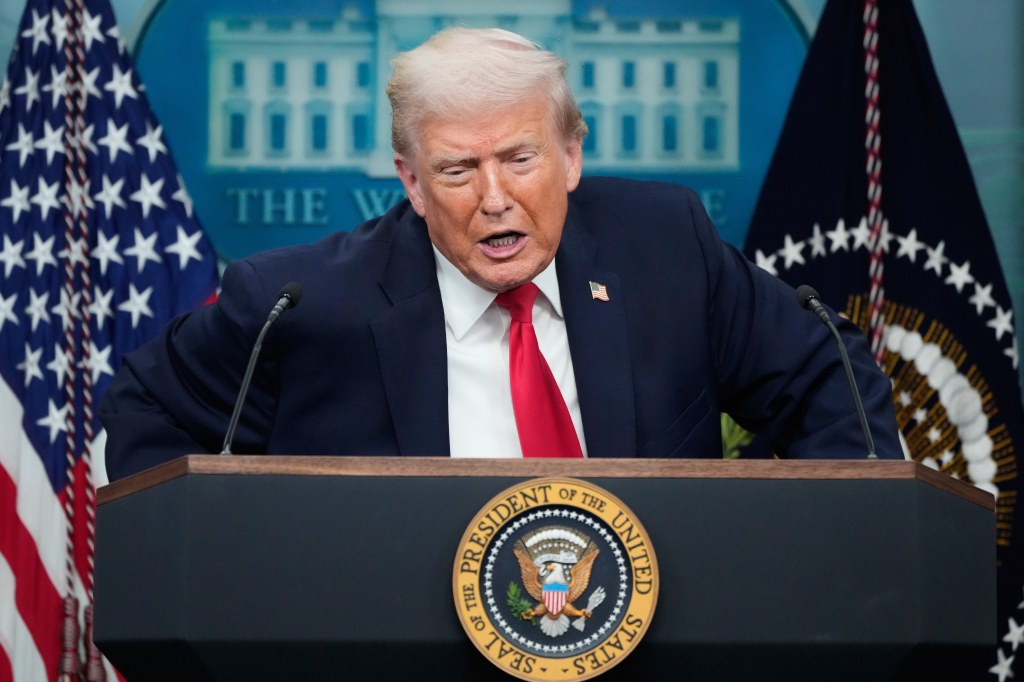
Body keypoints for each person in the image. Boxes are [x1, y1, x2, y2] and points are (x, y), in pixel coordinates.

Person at [99, 27, 903, 480]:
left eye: (520, 159)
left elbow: (826, 373)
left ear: (572, 156)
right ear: (412, 183)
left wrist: (802, 551)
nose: (494, 197)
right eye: (457, 169)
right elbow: (149, 408)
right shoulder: (299, 302)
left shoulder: (666, 246)